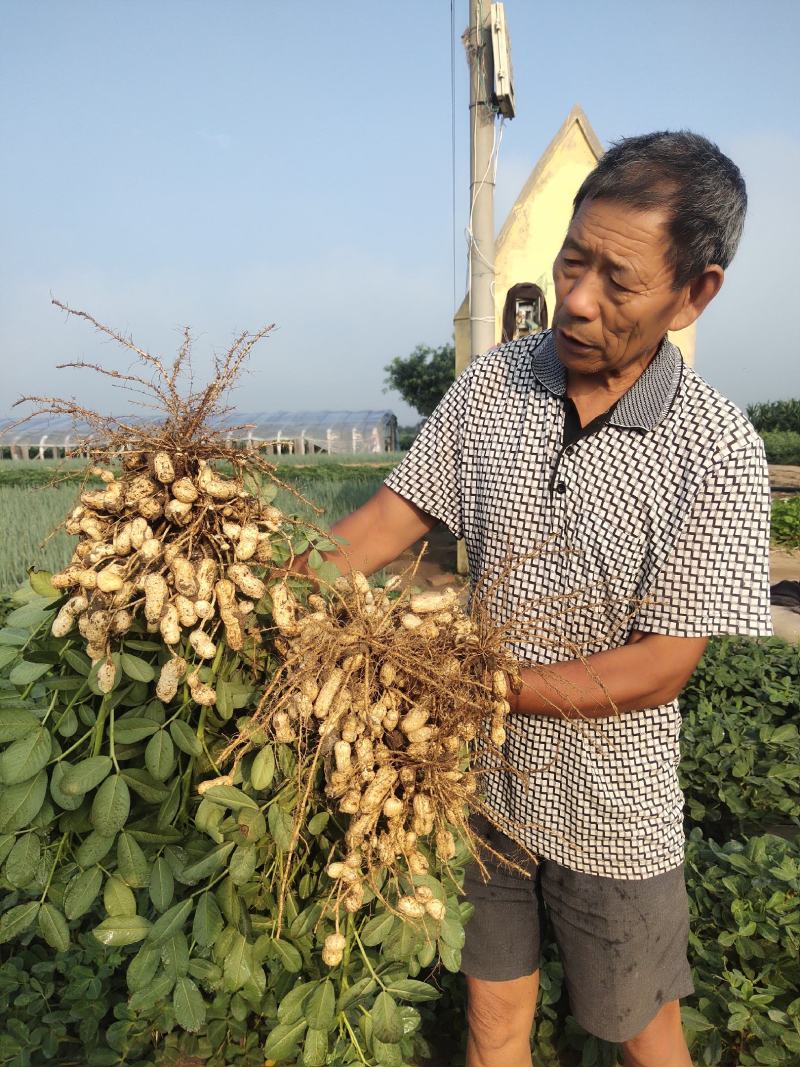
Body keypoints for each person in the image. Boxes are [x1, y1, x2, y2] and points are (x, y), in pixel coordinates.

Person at [309, 131, 772, 1067]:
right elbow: (385, 524)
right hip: (480, 790)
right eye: (572, 261)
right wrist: (263, 575)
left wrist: (479, 682)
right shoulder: (492, 386)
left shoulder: (719, 448)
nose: (578, 299)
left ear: (697, 293)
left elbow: (661, 664)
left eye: (619, 280)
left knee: (644, 1034)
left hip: (616, 808)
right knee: (494, 1029)